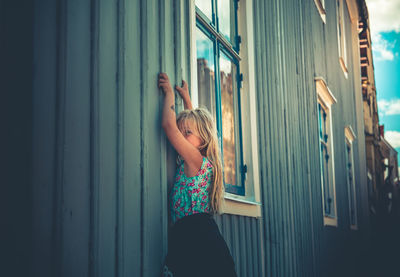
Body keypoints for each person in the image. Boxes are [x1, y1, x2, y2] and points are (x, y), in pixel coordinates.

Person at [158, 73, 237, 277]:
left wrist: (169, 94)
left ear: (202, 140)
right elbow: (193, 126)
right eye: (182, 132)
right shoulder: (199, 159)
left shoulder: (195, 160)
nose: (182, 136)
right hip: (194, 237)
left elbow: (169, 126)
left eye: (187, 134)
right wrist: (186, 99)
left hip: (197, 241)